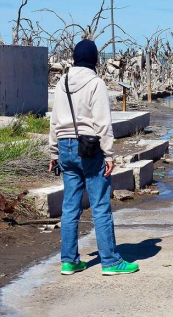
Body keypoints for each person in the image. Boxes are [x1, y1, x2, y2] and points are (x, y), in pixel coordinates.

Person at [48, 39, 139, 276]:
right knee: (99, 205)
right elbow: (103, 122)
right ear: (95, 60)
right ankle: (110, 261)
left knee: (70, 206)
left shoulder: (62, 82)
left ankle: (69, 261)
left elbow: (54, 121)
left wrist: (53, 152)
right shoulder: (96, 83)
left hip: (65, 147)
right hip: (89, 148)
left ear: (76, 58)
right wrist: (109, 154)